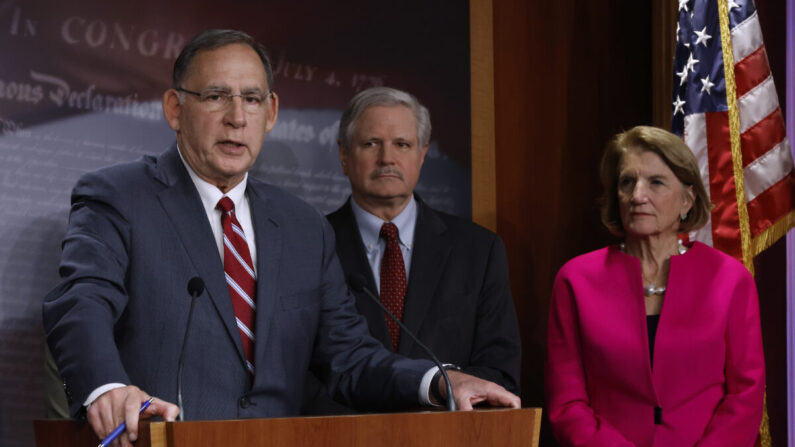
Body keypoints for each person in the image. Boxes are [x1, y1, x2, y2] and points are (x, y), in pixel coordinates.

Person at [42, 29, 519, 447]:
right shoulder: (119, 197)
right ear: (174, 108)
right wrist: (107, 387)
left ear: (270, 112)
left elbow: (349, 357)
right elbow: (81, 302)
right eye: (214, 96)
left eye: (251, 99)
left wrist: (438, 382)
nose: (236, 116)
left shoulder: (302, 227)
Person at [301, 87, 521, 414]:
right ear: (344, 155)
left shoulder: (479, 250)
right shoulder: (307, 247)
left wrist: (426, 398)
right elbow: (299, 372)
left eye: (402, 144)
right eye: (371, 143)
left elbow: (500, 374)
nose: (387, 158)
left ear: (422, 154)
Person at [545, 126, 765, 446]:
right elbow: (567, 403)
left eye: (656, 182)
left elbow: (744, 397)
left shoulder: (731, 280)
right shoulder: (575, 281)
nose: (637, 196)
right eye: (627, 182)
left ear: (687, 200)